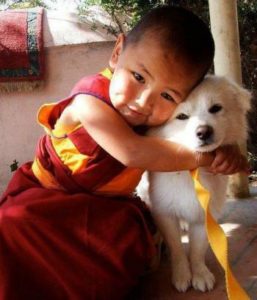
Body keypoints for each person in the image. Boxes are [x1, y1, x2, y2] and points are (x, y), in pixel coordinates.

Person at [0, 6, 248, 300]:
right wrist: (209, 157)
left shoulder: (152, 120)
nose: (144, 101)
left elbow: (190, 132)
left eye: (168, 96)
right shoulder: (88, 100)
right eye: (139, 77)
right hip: (49, 198)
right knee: (14, 226)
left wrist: (224, 149)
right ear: (117, 52)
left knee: (119, 253)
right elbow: (133, 153)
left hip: (105, 208)